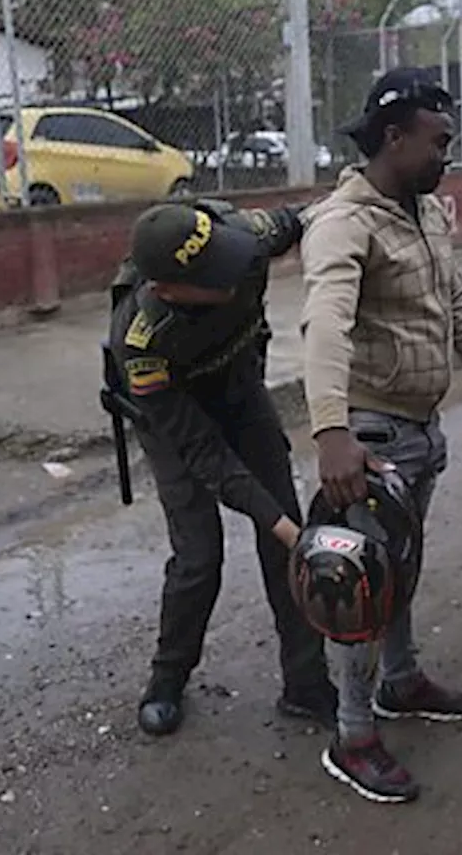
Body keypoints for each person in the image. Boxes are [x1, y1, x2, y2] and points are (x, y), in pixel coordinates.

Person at [300, 67, 462, 803]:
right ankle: (352, 735)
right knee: (358, 587)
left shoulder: (428, 212)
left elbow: (458, 303)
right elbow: (326, 326)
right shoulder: (345, 222)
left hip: (420, 431)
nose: (447, 156)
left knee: (399, 572)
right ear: (392, 138)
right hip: (370, 435)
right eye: (436, 142)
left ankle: (400, 683)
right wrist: (331, 431)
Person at [107, 199, 336, 737]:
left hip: (239, 388)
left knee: (286, 538)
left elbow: (315, 212)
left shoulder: (244, 239)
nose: (231, 274)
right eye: (210, 276)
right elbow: (205, 454)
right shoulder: (142, 340)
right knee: (198, 554)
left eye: (225, 260)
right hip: (174, 417)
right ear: (167, 290)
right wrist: (282, 526)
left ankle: (306, 684)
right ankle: (167, 678)